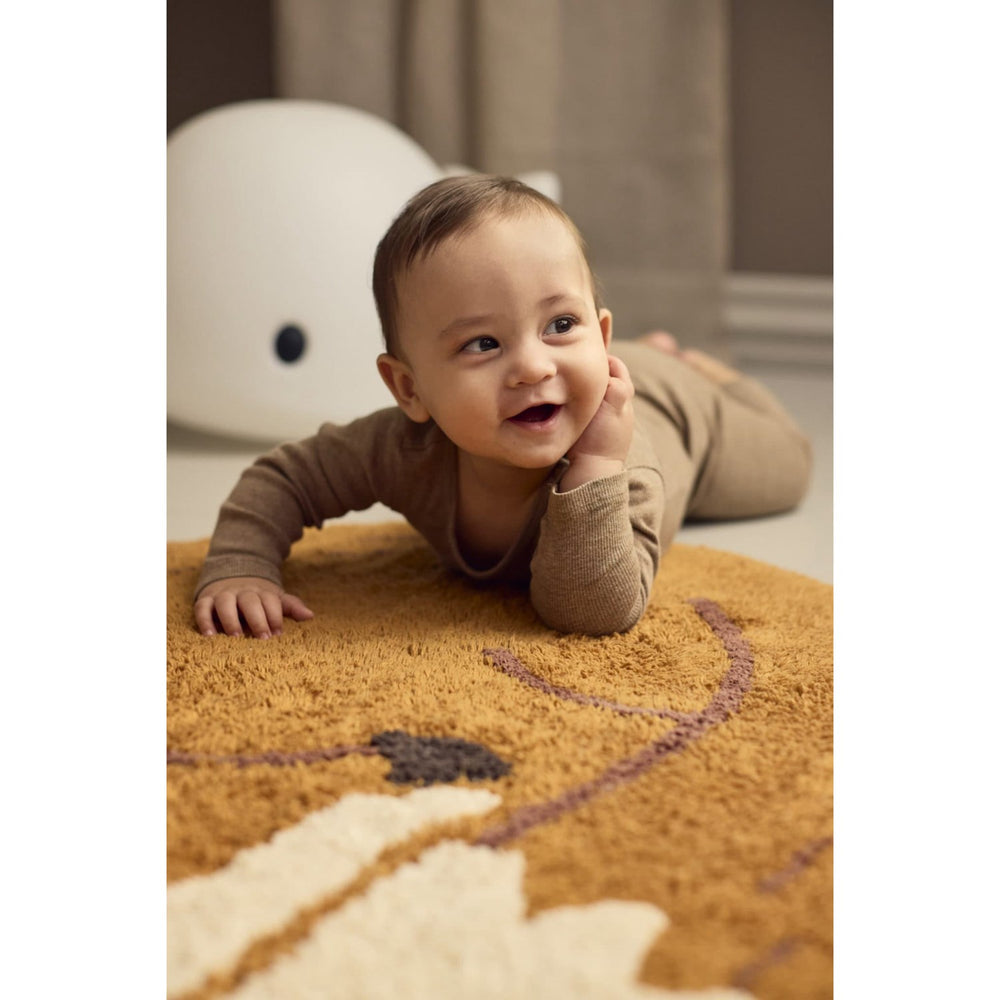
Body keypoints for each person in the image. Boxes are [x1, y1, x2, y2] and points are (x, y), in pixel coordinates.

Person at [193, 175, 811, 638]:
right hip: (604, 375)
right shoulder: (400, 448)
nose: (533, 367)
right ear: (409, 390)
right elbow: (285, 478)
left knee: (788, 470)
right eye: (483, 344)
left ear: (599, 337)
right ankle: (641, 348)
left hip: (685, 413)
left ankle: (706, 370)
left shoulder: (622, 467)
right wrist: (241, 565)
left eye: (561, 324)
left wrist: (596, 465)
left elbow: (591, 613)